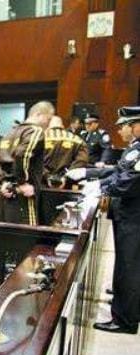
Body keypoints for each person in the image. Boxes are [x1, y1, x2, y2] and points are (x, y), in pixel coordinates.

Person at [88, 107, 140, 334]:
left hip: (134, 217)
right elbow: (119, 172)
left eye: (123, 126)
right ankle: (128, 305)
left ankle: (125, 320)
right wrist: (96, 180)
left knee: (129, 267)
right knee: (128, 265)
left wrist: (102, 189)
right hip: (129, 215)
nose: (119, 131)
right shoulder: (134, 148)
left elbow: (129, 182)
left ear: (136, 126)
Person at [0, 101, 55, 225]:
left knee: (4, 234)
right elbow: (23, 155)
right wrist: (23, 182)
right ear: (38, 114)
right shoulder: (34, 131)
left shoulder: (9, 133)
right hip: (23, 195)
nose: (48, 124)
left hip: (5, 192)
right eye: (48, 119)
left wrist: (3, 182)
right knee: (27, 233)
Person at [43, 116, 88, 188]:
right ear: (62, 126)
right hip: (67, 185)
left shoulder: (39, 138)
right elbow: (81, 161)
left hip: (42, 184)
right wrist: (66, 176)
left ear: (48, 126)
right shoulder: (77, 140)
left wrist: (47, 175)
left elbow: (33, 160)